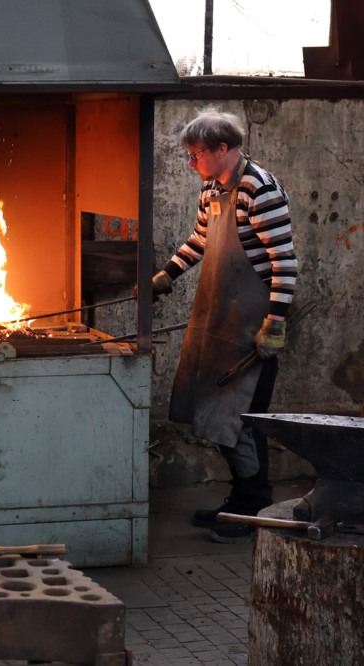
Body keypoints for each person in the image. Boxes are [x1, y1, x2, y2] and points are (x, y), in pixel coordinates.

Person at [152, 110, 297, 544]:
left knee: (242, 422)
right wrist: (168, 274)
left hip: (253, 330)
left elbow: (283, 263)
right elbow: (201, 239)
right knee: (216, 416)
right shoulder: (212, 187)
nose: (192, 162)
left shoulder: (260, 190)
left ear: (223, 149)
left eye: (196, 154)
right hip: (218, 321)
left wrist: (274, 324)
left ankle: (251, 507)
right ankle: (240, 502)